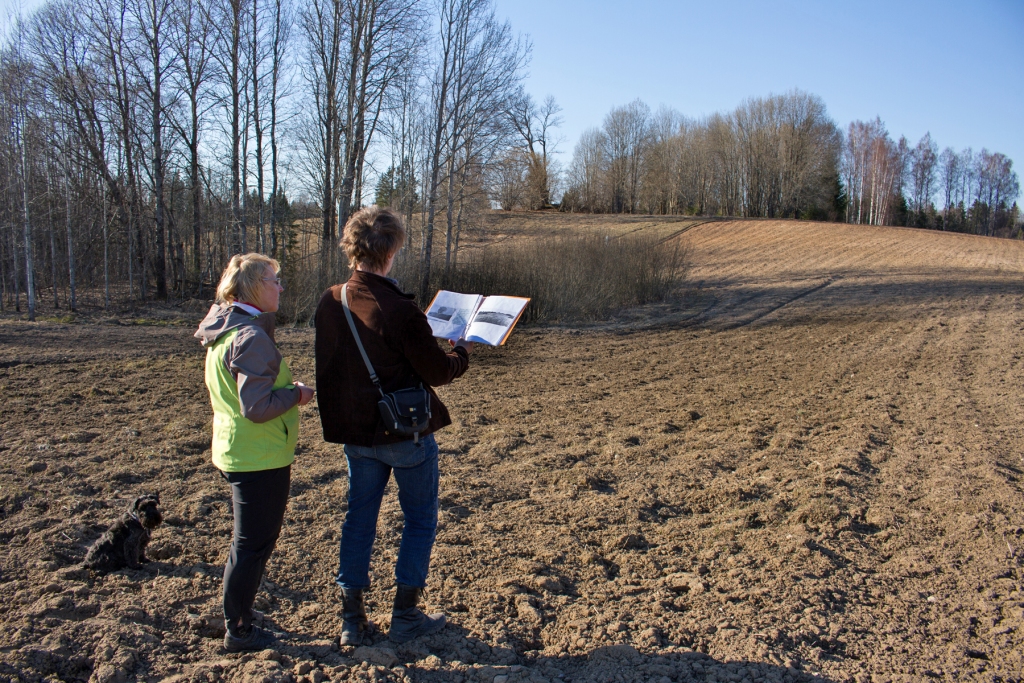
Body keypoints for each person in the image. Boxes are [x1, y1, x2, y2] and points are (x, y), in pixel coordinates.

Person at [315, 206, 472, 645]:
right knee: (420, 520)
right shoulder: (400, 309)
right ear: (391, 251)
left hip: (356, 434)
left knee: (358, 519)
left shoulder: (331, 301)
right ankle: (405, 616)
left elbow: (331, 370)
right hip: (405, 433)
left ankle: (351, 620)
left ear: (353, 248)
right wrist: (461, 353)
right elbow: (438, 371)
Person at [195, 253, 315, 652]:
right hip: (257, 457)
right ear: (251, 287)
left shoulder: (224, 327)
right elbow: (257, 406)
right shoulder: (249, 336)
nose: (280, 287)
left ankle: (239, 615)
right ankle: (240, 628)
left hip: (236, 448)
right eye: (273, 280)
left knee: (248, 543)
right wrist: (297, 394)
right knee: (252, 546)